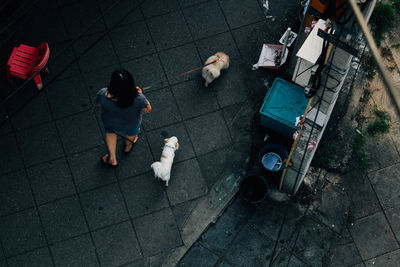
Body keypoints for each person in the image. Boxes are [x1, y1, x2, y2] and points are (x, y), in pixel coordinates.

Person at [96, 69, 151, 167]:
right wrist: (141, 93)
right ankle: (128, 146)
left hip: (110, 122)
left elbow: (100, 105)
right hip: (131, 123)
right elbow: (148, 110)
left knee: (110, 133)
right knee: (132, 133)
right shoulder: (139, 98)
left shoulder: (102, 93)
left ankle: (112, 159)